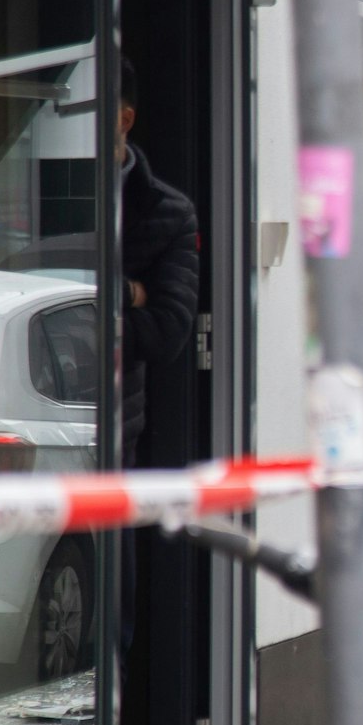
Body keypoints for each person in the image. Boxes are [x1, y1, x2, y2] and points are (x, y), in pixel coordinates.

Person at [117, 60, 199, 465]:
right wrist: (128, 292)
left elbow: (169, 330)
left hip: (113, 426)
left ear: (124, 119)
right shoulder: (34, 185)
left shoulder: (168, 212)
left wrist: (75, 328)